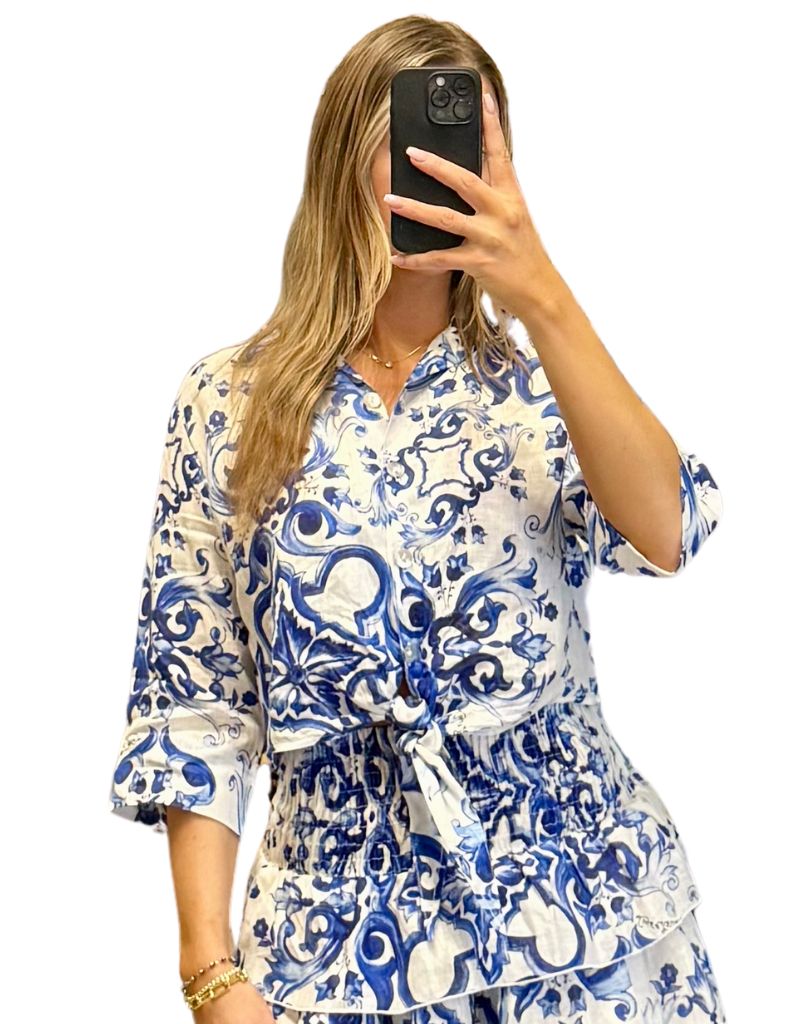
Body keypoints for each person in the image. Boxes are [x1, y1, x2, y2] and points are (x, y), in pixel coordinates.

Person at [108, 15, 728, 1024]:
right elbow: (196, 702)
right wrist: (209, 972)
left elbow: (667, 530)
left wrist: (543, 297)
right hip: (332, 952)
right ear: (344, 155)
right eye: (414, 139)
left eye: (471, 149)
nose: (441, 171)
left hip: (589, 932)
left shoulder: (540, 388)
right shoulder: (226, 404)